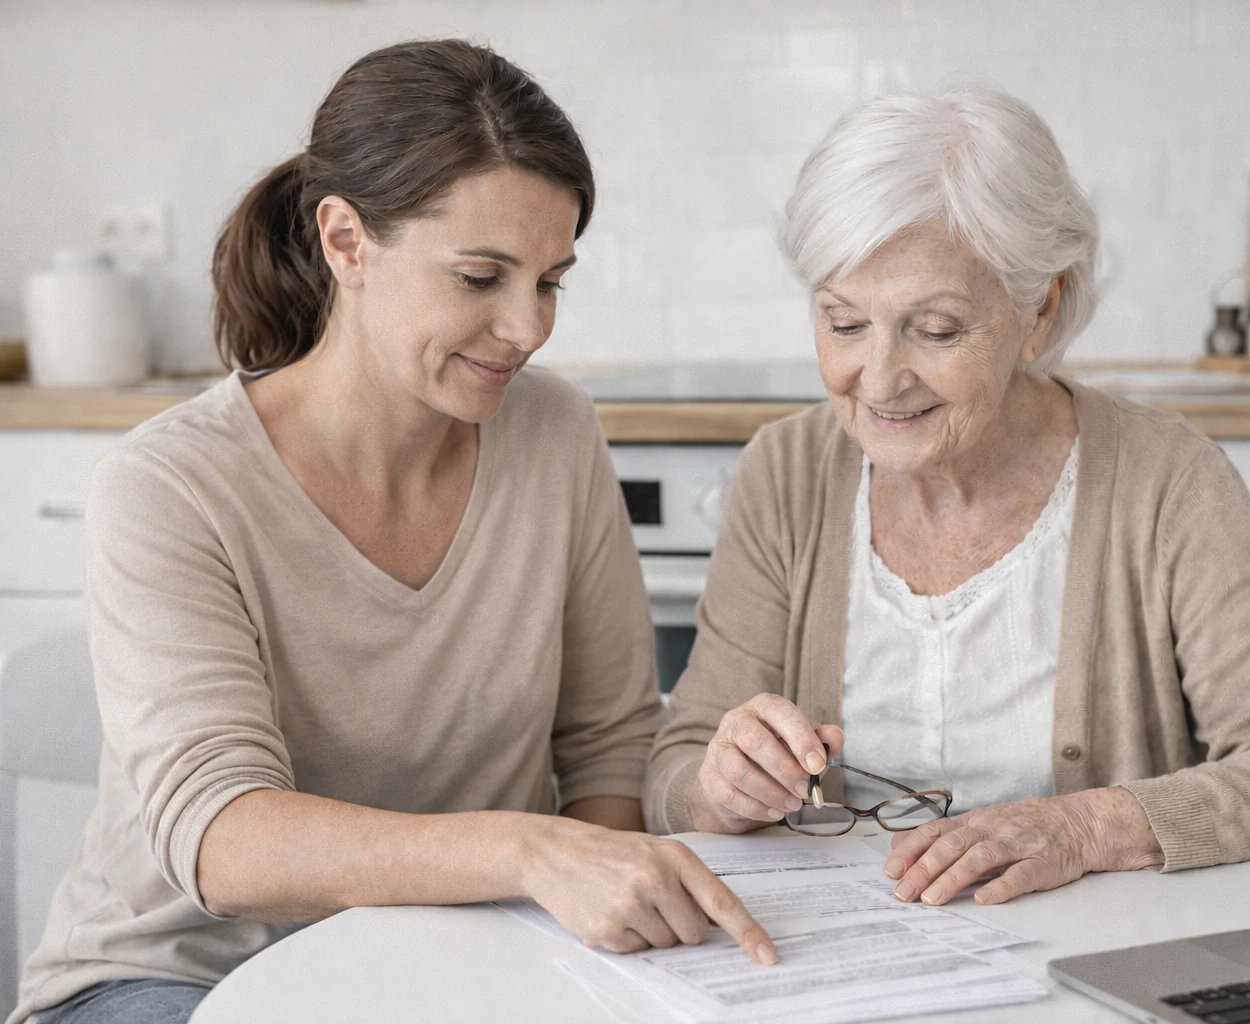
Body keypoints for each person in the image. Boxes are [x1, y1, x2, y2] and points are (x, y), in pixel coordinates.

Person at [14, 39, 772, 1024]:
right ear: (345, 242)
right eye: (480, 277)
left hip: (466, 964)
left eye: (550, 280)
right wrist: (525, 849)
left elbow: (608, 747)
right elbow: (226, 840)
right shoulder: (173, 485)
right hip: (178, 976)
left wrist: (614, 950)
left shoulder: (554, 432)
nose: (528, 326)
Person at [645, 88, 1250, 910]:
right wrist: (721, 788)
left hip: (1085, 968)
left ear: (1042, 309)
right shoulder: (784, 474)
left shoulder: (1164, 481)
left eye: (934, 330)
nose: (880, 379)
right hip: (839, 961)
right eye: (844, 323)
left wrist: (1084, 828)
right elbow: (676, 768)